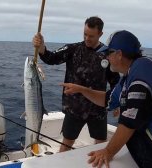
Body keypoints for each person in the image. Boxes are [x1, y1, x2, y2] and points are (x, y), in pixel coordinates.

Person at [61, 30, 152, 168]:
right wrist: (82, 90)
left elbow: (129, 124)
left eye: (108, 53)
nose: (106, 58)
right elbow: (107, 99)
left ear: (119, 54)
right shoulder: (135, 70)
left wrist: (108, 152)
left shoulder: (140, 78)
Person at [32, 16, 120, 152]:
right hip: (74, 108)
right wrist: (42, 47)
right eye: (85, 34)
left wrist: (116, 103)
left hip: (98, 109)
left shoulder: (107, 54)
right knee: (67, 143)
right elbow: (51, 58)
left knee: (101, 143)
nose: (87, 38)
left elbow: (115, 81)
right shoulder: (72, 49)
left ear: (100, 34)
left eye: (91, 36)